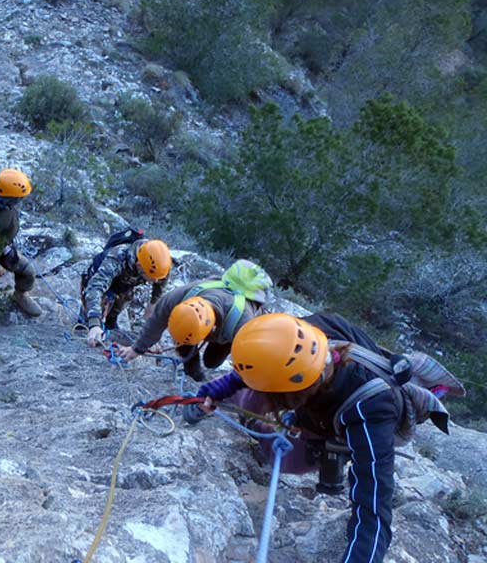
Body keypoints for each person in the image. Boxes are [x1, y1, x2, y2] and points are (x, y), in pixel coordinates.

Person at [195, 312, 406, 562]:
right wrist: (218, 390)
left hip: (340, 417)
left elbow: (373, 510)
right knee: (254, 396)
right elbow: (267, 355)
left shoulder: (370, 409)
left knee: (285, 460)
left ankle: (256, 422)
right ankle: (250, 412)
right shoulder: (305, 334)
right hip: (318, 400)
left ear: (297, 399)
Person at [116, 278, 263, 380]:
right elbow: (155, 322)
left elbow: (252, 365)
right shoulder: (176, 298)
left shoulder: (243, 326)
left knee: (212, 361)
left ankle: (209, 357)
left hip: (228, 325)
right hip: (207, 313)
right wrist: (136, 349)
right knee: (186, 352)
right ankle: (193, 372)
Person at [0, 168, 41, 317]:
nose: (20, 201)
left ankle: (19, 295)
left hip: (3, 240)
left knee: (28, 272)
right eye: (17, 198)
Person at [82, 238, 172, 346]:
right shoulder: (118, 257)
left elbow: (156, 298)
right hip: (96, 278)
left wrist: (147, 329)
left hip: (123, 285)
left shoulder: (161, 266)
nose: (156, 281)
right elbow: (95, 287)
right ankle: (87, 321)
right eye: (152, 277)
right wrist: (94, 324)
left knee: (122, 301)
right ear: (139, 266)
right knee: (87, 326)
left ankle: (111, 323)